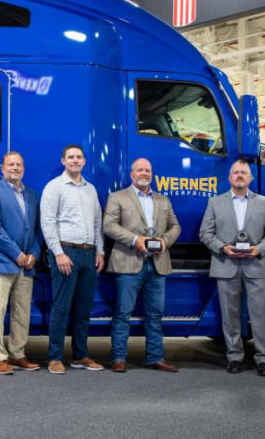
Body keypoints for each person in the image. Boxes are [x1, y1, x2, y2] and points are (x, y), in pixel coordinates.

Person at [199, 160, 265, 376]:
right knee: (230, 315)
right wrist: (223, 248)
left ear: (250, 178)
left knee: (261, 314)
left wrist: (259, 249)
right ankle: (234, 356)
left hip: (256, 265)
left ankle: (264, 359)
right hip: (226, 265)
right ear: (230, 177)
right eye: (236, 172)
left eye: (244, 172)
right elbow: (205, 233)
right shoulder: (215, 202)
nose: (239, 176)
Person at [103, 157, 181, 373]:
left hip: (157, 264)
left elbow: (176, 227)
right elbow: (108, 226)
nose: (144, 173)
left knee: (155, 315)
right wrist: (135, 240)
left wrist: (165, 240)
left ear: (152, 174)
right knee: (122, 313)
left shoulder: (163, 200)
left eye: (147, 170)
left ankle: (155, 357)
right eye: (140, 170)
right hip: (128, 263)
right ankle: (118, 358)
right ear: (131, 174)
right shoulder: (117, 197)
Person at [40, 144, 105, 374]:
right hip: (66, 253)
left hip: (88, 253)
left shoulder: (91, 190)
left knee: (84, 309)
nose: (75, 161)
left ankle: (80, 355)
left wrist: (100, 252)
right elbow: (47, 223)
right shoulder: (54, 187)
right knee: (61, 307)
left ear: (84, 161)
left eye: (79, 157)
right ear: (63, 161)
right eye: (71, 157)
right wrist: (58, 253)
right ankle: (54, 357)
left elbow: (97, 223)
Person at [0, 151, 42, 375]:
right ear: (2, 168)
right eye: (10, 164)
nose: (15, 168)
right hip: (1, 263)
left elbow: (36, 230)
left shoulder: (32, 195)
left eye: (18, 164)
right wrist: (17, 254)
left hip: (27, 265)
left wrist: (33, 253)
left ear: (23, 168)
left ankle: (17, 354)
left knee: (22, 312)